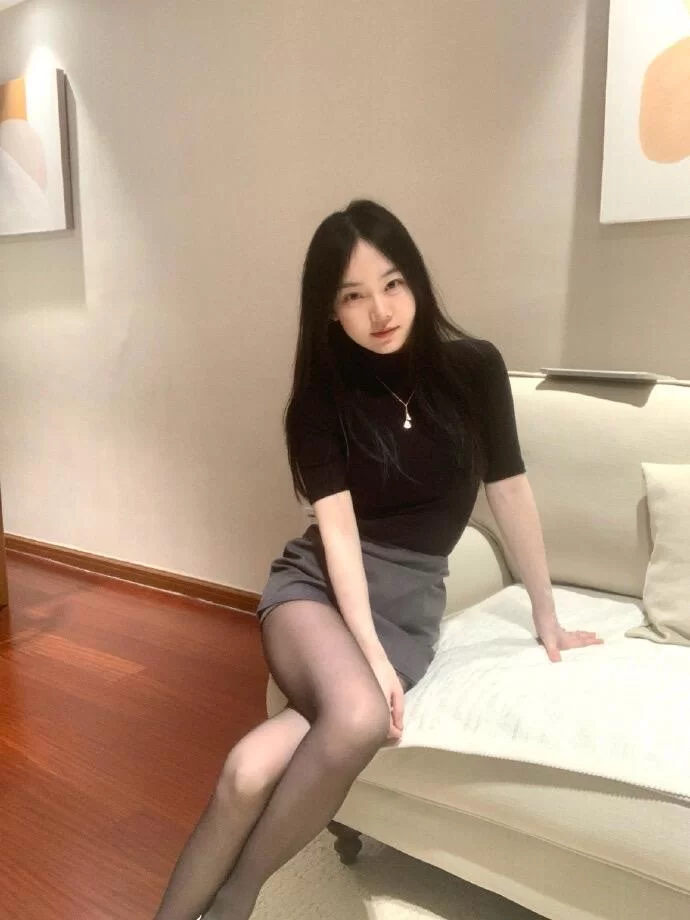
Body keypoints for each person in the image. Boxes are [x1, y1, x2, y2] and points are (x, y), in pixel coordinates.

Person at [153, 199, 602, 920]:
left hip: (407, 610)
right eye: (354, 296)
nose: (381, 311)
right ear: (330, 312)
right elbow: (336, 537)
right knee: (361, 715)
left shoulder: (475, 369)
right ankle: (238, 900)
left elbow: (510, 492)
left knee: (247, 771)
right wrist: (371, 657)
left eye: (393, 284)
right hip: (317, 594)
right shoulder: (320, 401)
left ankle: (213, 903)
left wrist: (545, 616)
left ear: (416, 281)